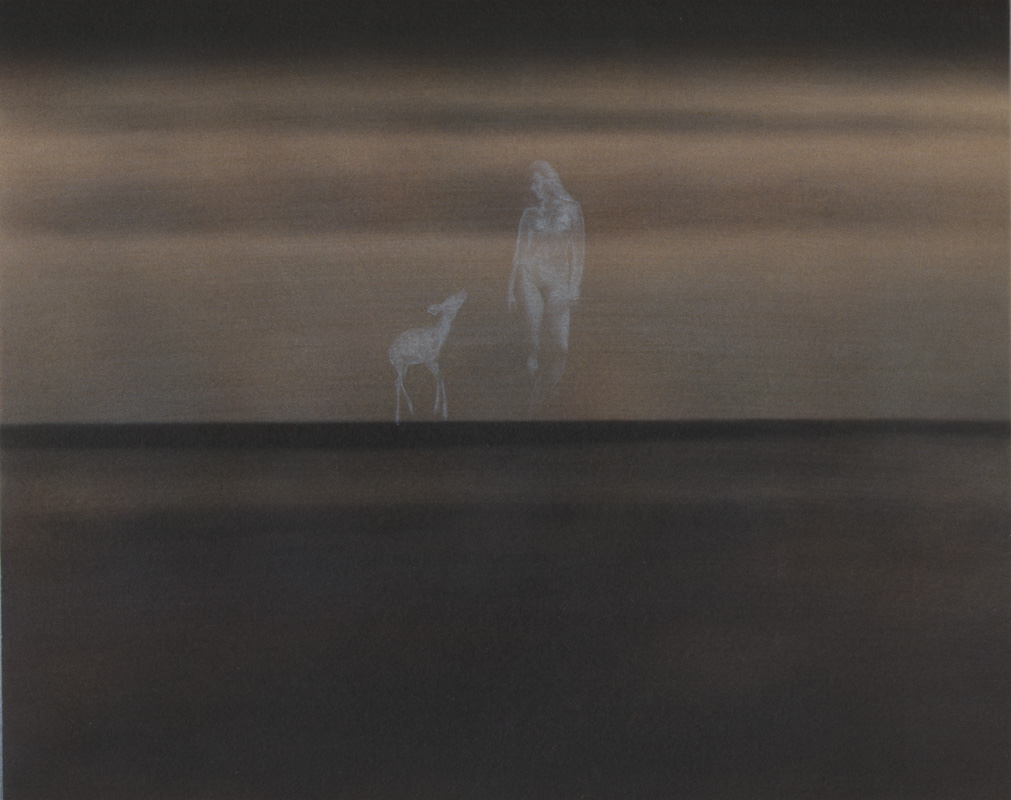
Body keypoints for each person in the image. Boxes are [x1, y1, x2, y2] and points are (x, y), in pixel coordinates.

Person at [507, 161, 585, 404]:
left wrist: (574, 286)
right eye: (531, 184)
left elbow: (579, 252)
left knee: (561, 346)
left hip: (559, 280)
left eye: (536, 182)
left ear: (549, 181)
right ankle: (533, 392)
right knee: (533, 342)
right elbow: (518, 253)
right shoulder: (529, 215)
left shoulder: (572, 209)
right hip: (530, 277)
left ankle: (549, 392)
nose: (533, 188)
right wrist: (509, 289)